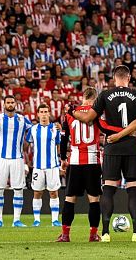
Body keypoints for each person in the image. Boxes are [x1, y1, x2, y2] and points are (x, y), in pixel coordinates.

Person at [69, 65, 136, 242]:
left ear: (114, 78)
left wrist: (73, 111)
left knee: (108, 189)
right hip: (132, 148)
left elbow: (87, 119)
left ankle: (106, 233)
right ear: (129, 77)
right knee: (133, 190)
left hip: (112, 147)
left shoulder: (104, 95)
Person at [57, 87, 102, 243]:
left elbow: (63, 139)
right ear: (95, 98)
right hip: (92, 161)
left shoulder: (70, 114)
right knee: (94, 199)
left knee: (70, 199)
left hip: (75, 161)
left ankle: (65, 235)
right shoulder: (96, 112)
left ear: (83, 97)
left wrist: (63, 158)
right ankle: (93, 235)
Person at [0, 95, 32, 228]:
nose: (10, 104)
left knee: (18, 189)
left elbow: (32, 130)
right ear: (4, 104)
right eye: (8, 102)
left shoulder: (23, 119)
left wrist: (27, 141)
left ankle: (16, 220)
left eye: (12, 102)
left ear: (15, 104)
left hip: (17, 159)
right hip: (1, 159)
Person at [27, 103, 62, 227]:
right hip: (38, 166)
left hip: (52, 166)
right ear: (38, 114)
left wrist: (61, 162)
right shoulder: (33, 129)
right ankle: (37, 220)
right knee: (37, 192)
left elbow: (58, 146)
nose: (43, 114)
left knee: (54, 193)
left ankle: (54, 220)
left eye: (45, 112)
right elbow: (27, 145)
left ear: (49, 113)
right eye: (41, 112)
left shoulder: (55, 129)